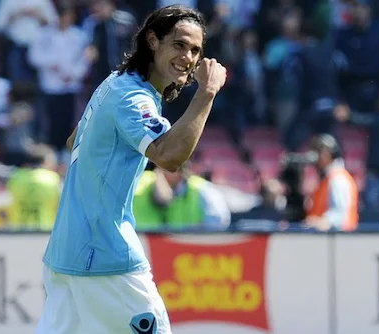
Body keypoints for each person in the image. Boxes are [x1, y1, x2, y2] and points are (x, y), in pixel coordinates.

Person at [36, 5, 227, 334]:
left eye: (196, 49)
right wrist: (207, 93)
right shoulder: (133, 98)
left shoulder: (115, 82)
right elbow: (168, 157)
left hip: (66, 255)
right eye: (179, 44)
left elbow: (73, 140)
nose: (189, 57)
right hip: (105, 257)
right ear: (153, 41)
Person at [133, 164, 230, 230]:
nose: (162, 173)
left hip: (194, 250)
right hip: (148, 244)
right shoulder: (143, 180)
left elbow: (218, 223)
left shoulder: (202, 189)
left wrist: (192, 233)